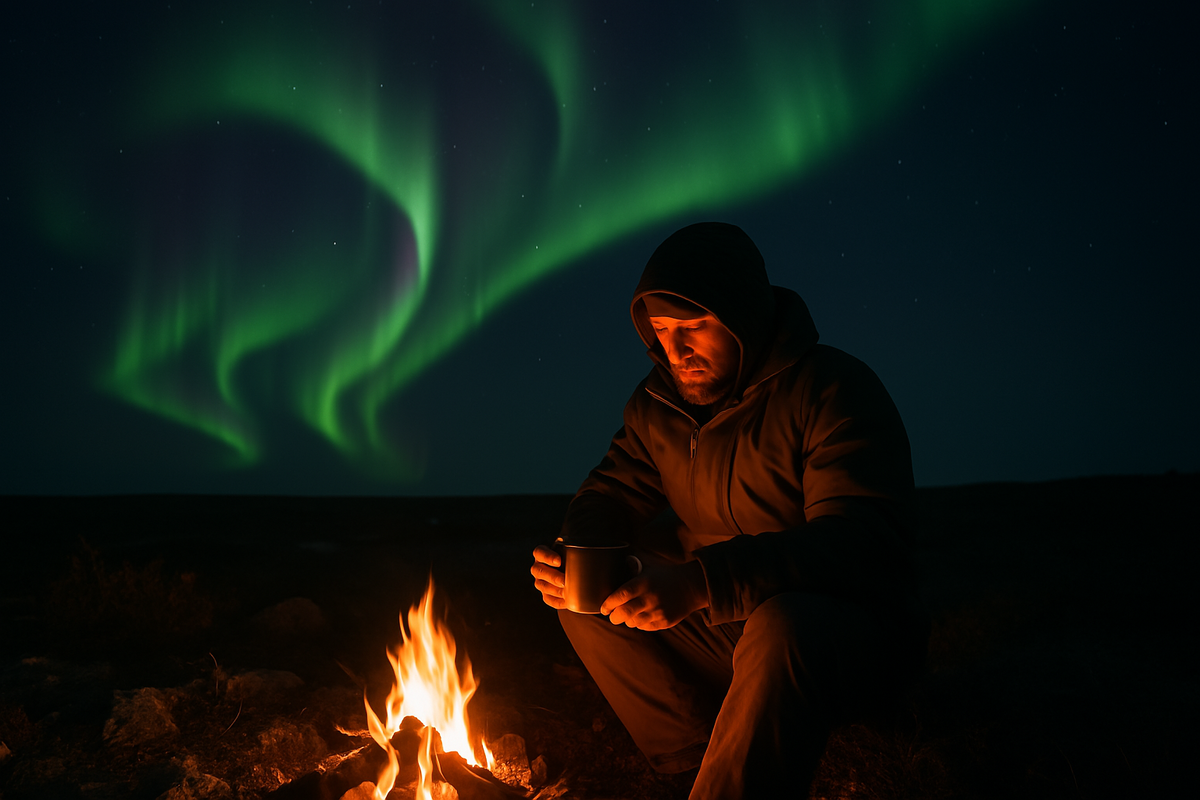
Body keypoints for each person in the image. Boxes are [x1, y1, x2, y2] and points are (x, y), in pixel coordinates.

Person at [530, 222, 928, 799]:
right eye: (662, 331)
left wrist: (702, 583)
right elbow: (609, 494)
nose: (675, 351)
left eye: (693, 327)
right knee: (587, 597)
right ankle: (696, 762)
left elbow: (859, 543)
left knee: (781, 625)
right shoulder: (658, 404)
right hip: (727, 627)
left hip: (847, 637)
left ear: (743, 316)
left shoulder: (832, 392)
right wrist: (583, 556)